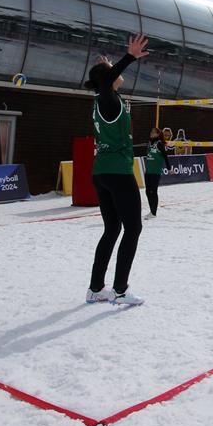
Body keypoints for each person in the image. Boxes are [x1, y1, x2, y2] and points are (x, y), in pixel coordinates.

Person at [84, 35, 151, 306]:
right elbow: (108, 79)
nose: (115, 70)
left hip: (102, 172)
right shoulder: (107, 99)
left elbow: (106, 80)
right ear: (108, 79)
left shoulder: (105, 99)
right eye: (111, 69)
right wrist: (129, 56)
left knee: (112, 229)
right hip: (117, 173)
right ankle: (120, 290)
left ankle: (95, 289)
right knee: (133, 228)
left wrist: (107, 67)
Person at [143, 126, 166, 218]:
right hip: (148, 171)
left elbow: (165, 156)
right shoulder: (149, 143)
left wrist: (169, 168)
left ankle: (153, 213)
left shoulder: (159, 143)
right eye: (151, 132)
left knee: (153, 191)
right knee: (147, 191)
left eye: (153, 132)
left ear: (158, 134)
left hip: (155, 171)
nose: (151, 133)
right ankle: (151, 211)